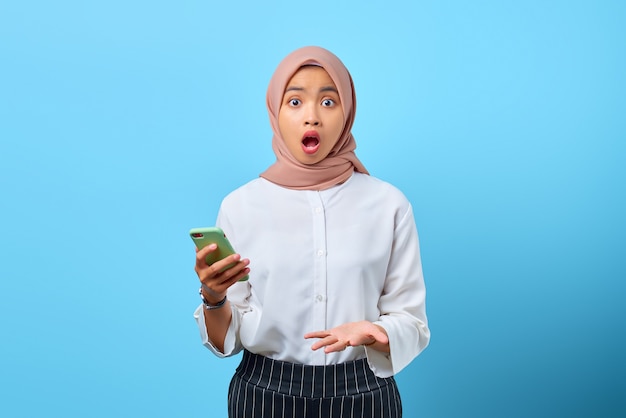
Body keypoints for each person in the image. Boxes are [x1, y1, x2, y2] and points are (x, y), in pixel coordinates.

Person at [193, 46, 430, 418]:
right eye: (295, 101)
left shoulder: (389, 204)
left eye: (328, 101)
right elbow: (228, 339)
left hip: (364, 393)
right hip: (264, 394)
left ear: (347, 111)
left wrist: (374, 332)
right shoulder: (240, 206)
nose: (312, 117)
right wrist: (212, 296)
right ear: (275, 111)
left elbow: (412, 322)